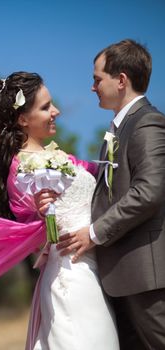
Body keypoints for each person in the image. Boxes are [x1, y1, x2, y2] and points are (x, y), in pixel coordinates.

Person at [39, 39, 165, 349]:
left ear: (121, 80)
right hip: (119, 278)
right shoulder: (116, 131)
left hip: (147, 277)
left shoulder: (147, 123)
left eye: (97, 79)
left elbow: (149, 191)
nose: (92, 87)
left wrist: (93, 233)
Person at [0, 71, 119, 349]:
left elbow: (103, 178)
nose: (56, 111)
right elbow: (37, 230)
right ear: (23, 119)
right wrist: (40, 213)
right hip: (71, 278)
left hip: (93, 275)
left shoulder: (59, 158)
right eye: (46, 107)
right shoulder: (21, 170)